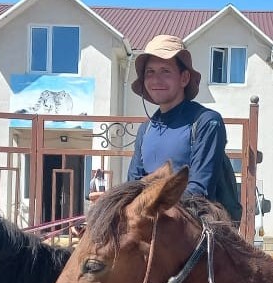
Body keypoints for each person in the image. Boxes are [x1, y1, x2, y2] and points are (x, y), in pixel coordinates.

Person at [88, 34, 239, 221]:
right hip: (147, 230)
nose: (155, 80)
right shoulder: (146, 129)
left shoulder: (207, 122)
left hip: (193, 237)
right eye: (150, 72)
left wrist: (149, 206)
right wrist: (111, 203)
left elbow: (199, 192)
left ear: (184, 78)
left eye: (165, 71)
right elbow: (133, 186)